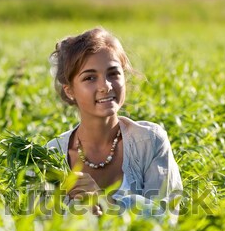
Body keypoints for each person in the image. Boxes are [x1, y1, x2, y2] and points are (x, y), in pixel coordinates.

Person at [47, 27, 182, 219]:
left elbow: (167, 218)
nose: (105, 86)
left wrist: (106, 203)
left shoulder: (149, 141)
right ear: (70, 91)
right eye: (90, 78)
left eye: (113, 74)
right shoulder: (52, 156)